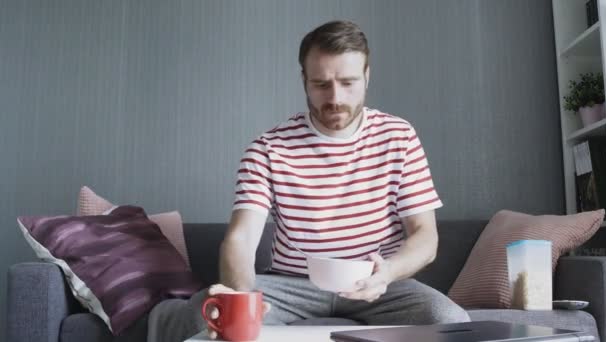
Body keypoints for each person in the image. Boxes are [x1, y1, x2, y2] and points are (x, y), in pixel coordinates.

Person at [146, 20, 470, 342]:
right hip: (291, 285)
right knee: (206, 315)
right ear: (304, 80)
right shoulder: (268, 148)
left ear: (367, 76)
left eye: (348, 82)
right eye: (321, 84)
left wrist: (388, 272)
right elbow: (240, 240)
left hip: (381, 284)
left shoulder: (399, 136)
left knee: (451, 320)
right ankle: (168, 314)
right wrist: (242, 296)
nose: (335, 98)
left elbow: (425, 237)